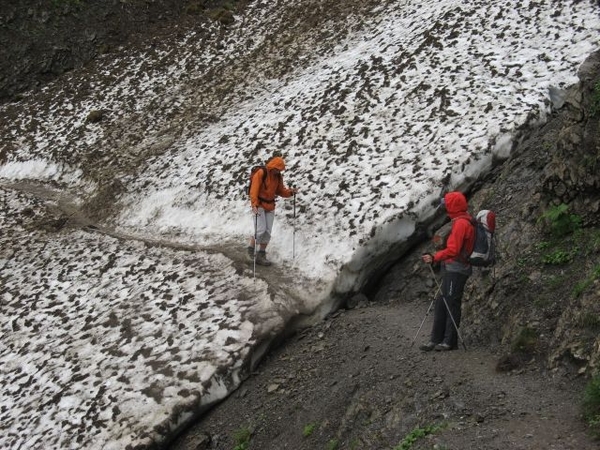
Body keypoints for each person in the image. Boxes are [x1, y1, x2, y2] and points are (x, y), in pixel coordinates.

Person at [420, 191, 475, 351]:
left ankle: (449, 342)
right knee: (441, 302)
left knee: (451, 303)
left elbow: (454, 250)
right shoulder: (461, 221)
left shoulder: (461, 224)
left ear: (452, 207)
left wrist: (434, 257)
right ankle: (436, 339)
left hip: (457, 269)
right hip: (454, 268)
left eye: (447, 205)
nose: (445, 208)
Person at [247, 154, 298, 266]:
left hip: (270, 206)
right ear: (273, 167)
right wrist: (254, 205)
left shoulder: (278, 177)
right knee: (260, 230)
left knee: (267, 231)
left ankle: (261, 254)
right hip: (259, 204)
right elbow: (254, 190)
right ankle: (250, 249)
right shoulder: (261, 173)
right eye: (277, 169)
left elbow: (280, 191)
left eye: (280, 170)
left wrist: (290, 192)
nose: (278, 171)